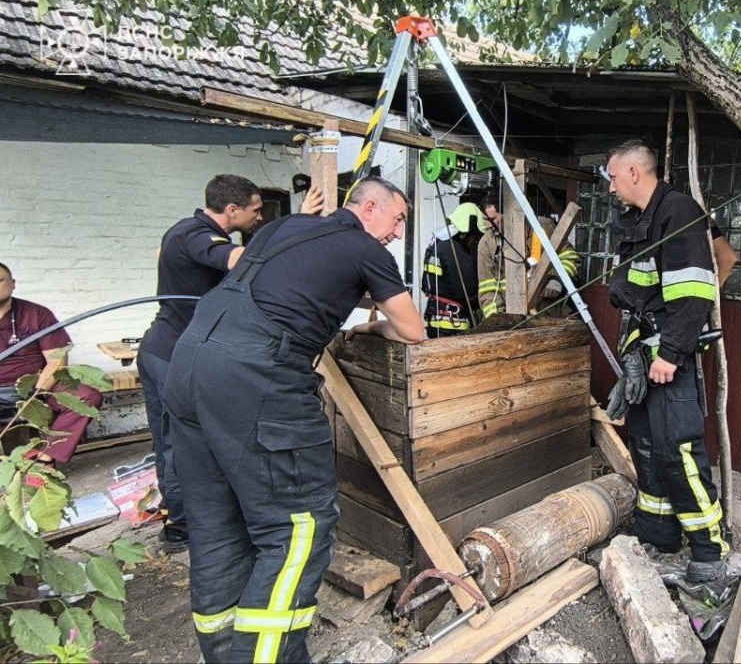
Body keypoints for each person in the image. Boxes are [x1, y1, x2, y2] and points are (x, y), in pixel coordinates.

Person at [162, 176, 424, 664]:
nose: (398, 231)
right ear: (369, 208)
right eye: (399, 218)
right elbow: (413, 329)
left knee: (217, 524)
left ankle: (222, 652)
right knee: (297, 528)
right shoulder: (365, 250)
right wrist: (370, 323)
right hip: (256, 379)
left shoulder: (284, 229)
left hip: (190, 364)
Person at [140, 175, 323, 554]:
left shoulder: (205, 232)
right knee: (177, 441)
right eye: (256, 211)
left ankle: (196, 519)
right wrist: (297, 227)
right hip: (171, 353)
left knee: (190, 439)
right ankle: (181, 526)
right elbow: (242, 261)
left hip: (186, 351)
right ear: (232, 210)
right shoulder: (192, 234)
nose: (259, 217)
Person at [602, 140, 730, 582]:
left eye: (613, 177)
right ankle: (657, 537)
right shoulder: (639, 219)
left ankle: (709, 552)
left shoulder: (679, 213)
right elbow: (633, 289)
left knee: (678, 450)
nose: (611, 186)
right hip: (642, 353)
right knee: (646, 446)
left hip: (667, 357)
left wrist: (671, 354)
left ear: (635, 172)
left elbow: (694, 292)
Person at [0, 262, 102, 465]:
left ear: (13, 284)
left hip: (37, 386)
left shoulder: (37, 314)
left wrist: (35, 395)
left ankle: (45, 457)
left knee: (87, 397)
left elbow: (57, 359)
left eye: (0, 280)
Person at [476, 196, 581, 319]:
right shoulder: (487, 243)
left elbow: (569, 256)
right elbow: (487, 289)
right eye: (485, 220)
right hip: (512, 315)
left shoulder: (542, 227)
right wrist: (498, 319)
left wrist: (556, 280)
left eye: (492, 219)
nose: (488, 225)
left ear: (510, 215)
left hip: (548, 312)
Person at [422, 202, 484, 336]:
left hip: (434, 315)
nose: (474, 240)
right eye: (475, 236)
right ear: (468, 231)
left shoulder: (437, 244)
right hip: (452, 321)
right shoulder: (455, 251)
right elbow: (468, 289)